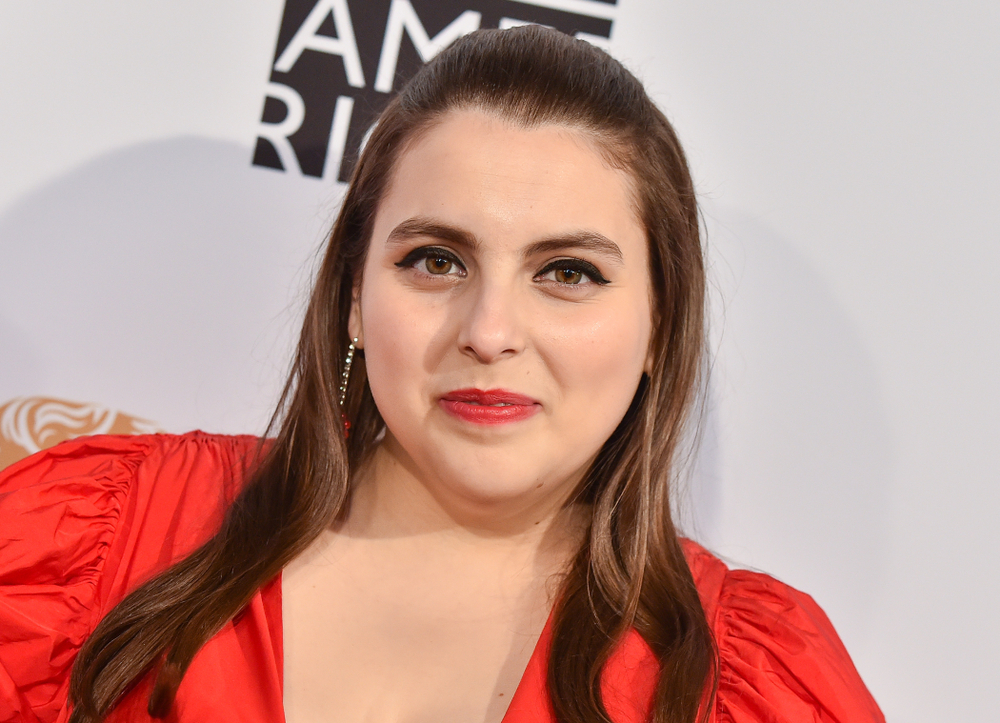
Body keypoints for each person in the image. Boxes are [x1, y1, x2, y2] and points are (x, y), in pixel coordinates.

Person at [0, 26, 883, 723]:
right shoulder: (95, 539)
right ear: (353, 295)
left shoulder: (751, 683)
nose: (490, 331)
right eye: (436, 260)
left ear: (660, 326)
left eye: (568, 272)